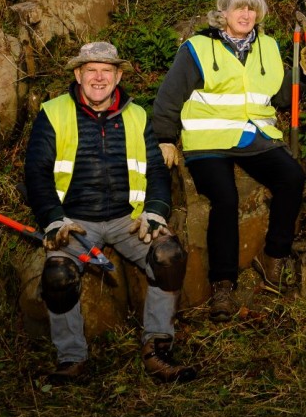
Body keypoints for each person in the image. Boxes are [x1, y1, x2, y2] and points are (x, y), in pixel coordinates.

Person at [24, 41, 196, 384]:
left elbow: (156, 171)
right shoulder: (53, 112)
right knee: (58, 275)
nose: (99, 78)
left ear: (118, 77)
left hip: (127, 220)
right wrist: (53, 218)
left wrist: (155, 213)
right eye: (91, 70)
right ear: (78, 75)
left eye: (107, 71)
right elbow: (36, 172)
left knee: (168, 256)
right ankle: (71, 359)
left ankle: (157, 349)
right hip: (74, 222)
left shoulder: (137, 115)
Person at [149, 0, 306, 321]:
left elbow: (282, 96)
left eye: (251, 8)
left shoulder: (268, 46)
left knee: (292, 177)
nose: (245, 14)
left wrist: (302, 71)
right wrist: (165, 137)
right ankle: (223, 286)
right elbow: (169, 95)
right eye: (238, 7)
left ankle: (273, 257)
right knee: (225, 198)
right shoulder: (197, 47)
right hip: (208, 141)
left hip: (256, 137)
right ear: (223, 13)